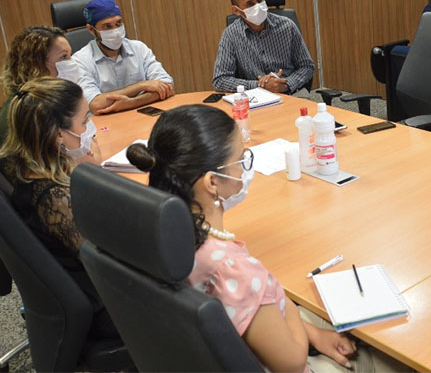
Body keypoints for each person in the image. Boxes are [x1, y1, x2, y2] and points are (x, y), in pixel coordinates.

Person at [127, 105, 400, 372]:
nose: (245, 169)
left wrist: (312, 333)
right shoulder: (232, 269)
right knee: (391, 353)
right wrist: (288, 306)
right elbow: (291, 363)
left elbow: (248, 317)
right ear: (212, 182)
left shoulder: (165, 234)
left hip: (232, 348)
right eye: (240, 160)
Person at [0, 77, 116, 338]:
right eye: (84, 121)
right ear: (58, 134)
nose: (90, 128)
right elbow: (109, 264)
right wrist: (97, 176)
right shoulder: (55, 199)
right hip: (105, 307)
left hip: (84, 287)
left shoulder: (32, 171)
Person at [0, 25, 83, 158]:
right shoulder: (35, 112)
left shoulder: (21, 101)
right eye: (63, 57)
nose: (72, 63)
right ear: (36, 66)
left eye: (70, 55)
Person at [72, 0, 174, 114]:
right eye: (107, 26)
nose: (115, 31)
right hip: (105, 126)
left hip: (140, 118)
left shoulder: (139, 48)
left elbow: (167, 86)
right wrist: (142, 85)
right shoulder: (80, 61)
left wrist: (133, 102)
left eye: (118, 23)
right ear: (91, 29)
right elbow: (96, 104)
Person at [212, 0, 315, 94]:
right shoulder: (230, 35)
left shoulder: (287, 26)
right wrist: (259, 85)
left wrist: (286, 84)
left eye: (260, 0)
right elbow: (220, 80)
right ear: (237, 10)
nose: (258, 6)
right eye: (250, 4)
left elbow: (307, 66)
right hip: (255, 96)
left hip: (292, 91)